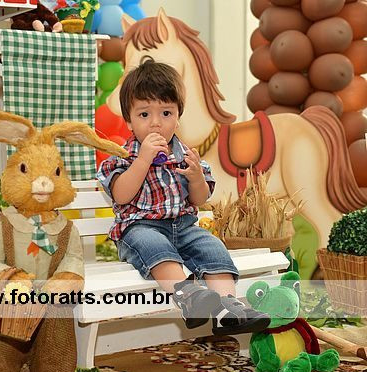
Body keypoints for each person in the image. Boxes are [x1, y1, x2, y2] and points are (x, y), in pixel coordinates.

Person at [97, 59, 269, 335]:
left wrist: (196, 177)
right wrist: (142, 160)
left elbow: (199, 199)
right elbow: (121, 195)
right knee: (153, 244)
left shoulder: (185, 155)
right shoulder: (123, 156)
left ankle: (228, 309)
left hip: (184, 228)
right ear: (129, 120)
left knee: (212, 247)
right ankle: (189, 296)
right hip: (140, 228)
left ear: (178, 117)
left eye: (166, 113)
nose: (156, 123)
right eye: (144, 114)